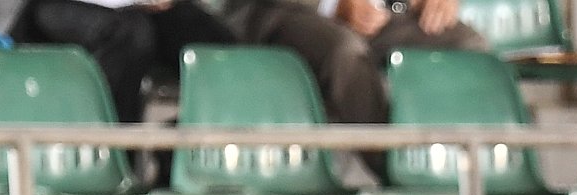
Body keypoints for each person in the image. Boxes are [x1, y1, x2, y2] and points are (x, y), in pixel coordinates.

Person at [210, 0, 489, 127]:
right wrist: (335, 5)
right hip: (278, 14)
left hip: (376, 14)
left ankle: (479, 172)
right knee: (345, 53)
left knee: (467, 43)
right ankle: (394, 164)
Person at [14, 0, 235, 126]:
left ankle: (177, 155)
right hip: (46, 6)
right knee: (129, 36)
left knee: (221, 50)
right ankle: (108, 152)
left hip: (132, 7)